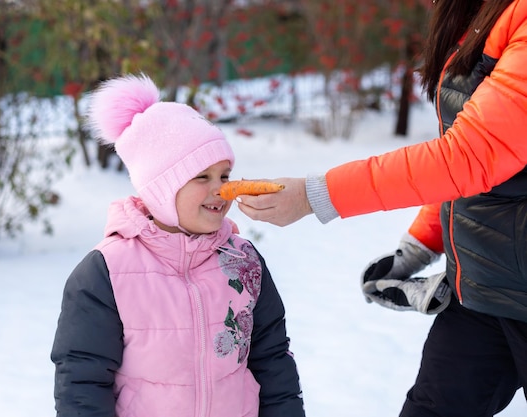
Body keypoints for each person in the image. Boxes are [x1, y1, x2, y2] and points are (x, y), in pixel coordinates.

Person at [236, 0, 527, 415]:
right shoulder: (481, 15)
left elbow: (469, 157)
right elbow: (478, 171)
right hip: (483, 292)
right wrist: (418, 248)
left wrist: (315, 194)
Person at [50, 73, 305, 417]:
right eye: (202, 176)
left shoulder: (243, 262)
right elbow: (82, 381)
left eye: (225, 175)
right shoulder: (108, 272)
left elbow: (272, 359)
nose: (221, 190)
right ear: (161, 189)